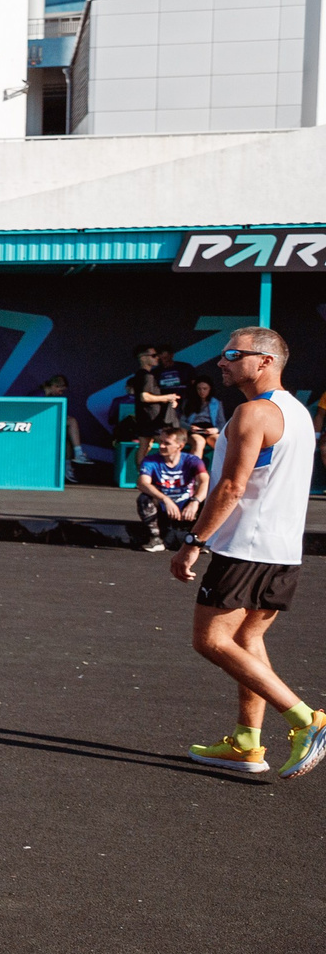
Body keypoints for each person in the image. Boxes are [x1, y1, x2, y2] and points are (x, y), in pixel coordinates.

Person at [171, 328, 322, 776]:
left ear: (265, 361)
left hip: (246, 548)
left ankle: (306, 720)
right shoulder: (295, 413)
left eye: (233, 354)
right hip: (282, 550)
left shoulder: (253, 412)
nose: (222, 362)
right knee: (247, 640)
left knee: (212, 640)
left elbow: (233, 486)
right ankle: (246, 742)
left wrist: (193, 542)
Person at [135, 427, 206, 554]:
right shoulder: (151, 461)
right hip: (164, 507)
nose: (161, 446)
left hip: (186, 507)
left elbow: (205, 481)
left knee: (207, 499)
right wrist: (165, 499)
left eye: (167, 443)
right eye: (160, 442)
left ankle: (198, 539)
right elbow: (142, 483)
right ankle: (155, 539)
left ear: (180, 446)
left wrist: (195, 501)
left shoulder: (192, 461)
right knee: (144, 499)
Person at [128, 343, 181, 439]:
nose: (157, 358)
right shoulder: (147, 376)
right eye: (153, 356)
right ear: (143, 358)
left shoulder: (141, 374)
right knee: (165, 444)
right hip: (152, 419)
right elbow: (144, 397)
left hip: (143, 417)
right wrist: (168, 397)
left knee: (144, 447)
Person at [183, 377, 222, 460]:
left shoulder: (216, 403)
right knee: (199, 442)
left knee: (219, 441)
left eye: (205, 389)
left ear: (210, 389)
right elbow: (180, 421)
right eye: (199, 389)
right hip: (194, 430)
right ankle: (194, 470)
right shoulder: (189, 402)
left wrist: (216, 429)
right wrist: (189, 427)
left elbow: (222, 422)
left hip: (210, 429)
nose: (202, 392)